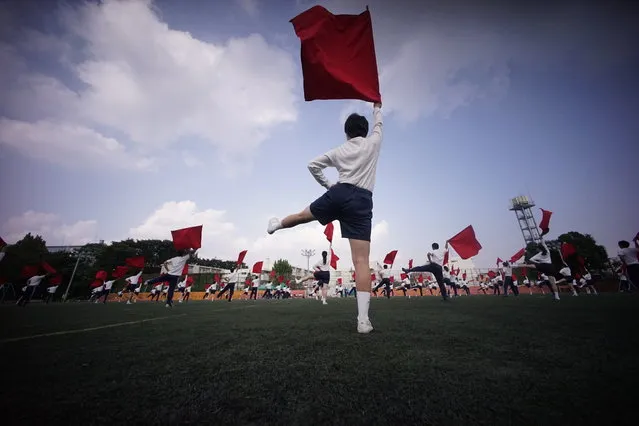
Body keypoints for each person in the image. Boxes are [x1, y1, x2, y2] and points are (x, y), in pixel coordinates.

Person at [266, 102, 383, 333]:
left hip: (338, 194)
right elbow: (379, 124)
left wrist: (329, 185)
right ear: (364, 130)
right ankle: (362, 321)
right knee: (361, 262)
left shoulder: (339, 150)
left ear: (346, 132)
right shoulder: (373, 143)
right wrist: (377, 107)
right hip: (361, 201)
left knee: (301, 216)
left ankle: (276, 225)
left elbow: (313, 165)